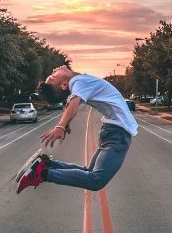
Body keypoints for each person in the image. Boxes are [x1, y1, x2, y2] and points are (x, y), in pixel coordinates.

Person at [16, 65, 138, 194]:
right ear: (64, 84)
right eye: (52, 76)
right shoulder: (78, 82)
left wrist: (66, 124)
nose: (53, 70)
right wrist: (61, 126)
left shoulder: (79, 83)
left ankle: (48, 165)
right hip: (118, 133)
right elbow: (72, 106)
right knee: (96, 180)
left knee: (89, 172)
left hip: (112, 130)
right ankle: (42, 174)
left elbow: (69, 104)